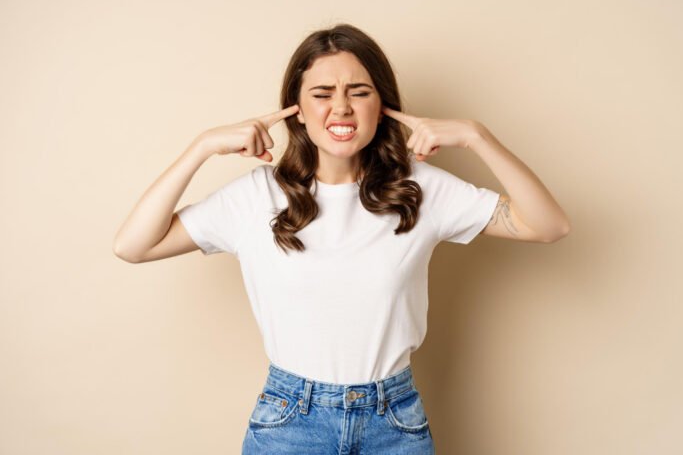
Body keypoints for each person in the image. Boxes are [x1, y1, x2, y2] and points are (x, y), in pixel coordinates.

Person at [113, 23, 570, 454]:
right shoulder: (256, 196)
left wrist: (477, 136)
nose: (342, 107)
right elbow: (133, 245)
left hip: (395, 421)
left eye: (359, 91)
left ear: (382, 104)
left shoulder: (420, 188)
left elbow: (549, 226)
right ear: (296, 109)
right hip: (290, 421)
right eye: (322, 93)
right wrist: (203, 146)